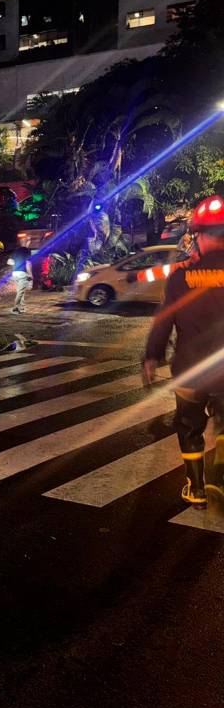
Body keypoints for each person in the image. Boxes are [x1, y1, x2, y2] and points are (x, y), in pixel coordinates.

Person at [143, 194, 224, 511]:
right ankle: (220, 476)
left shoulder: (180, 277)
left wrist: (152, 356)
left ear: (199, 236)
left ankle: (197, 488)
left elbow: (164, 322)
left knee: (190, 429)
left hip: (190, 371)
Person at [8, 236, 33, 314]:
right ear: (27, 243)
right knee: (20, 292)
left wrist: (16, 265)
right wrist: (30, 274)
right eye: (29, 242)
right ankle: (15, 308)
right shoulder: (27, 251)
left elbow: (9, 262)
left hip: (15, 273)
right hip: (22, 273)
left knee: (20, 291)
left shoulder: (15, 251)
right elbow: (28, 263)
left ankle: (22, 307)